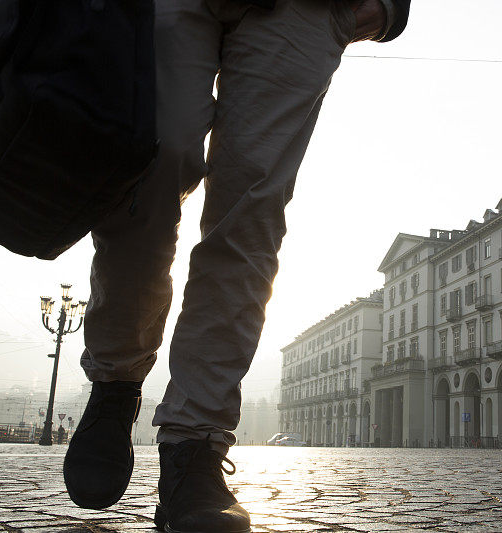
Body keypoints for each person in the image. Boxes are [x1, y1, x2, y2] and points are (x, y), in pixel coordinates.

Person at [61, 1, 411, 532]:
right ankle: (115, 379)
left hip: (305, 8)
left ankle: (195, 445)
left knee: (250, 212)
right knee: (148, 164)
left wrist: (386, 5)